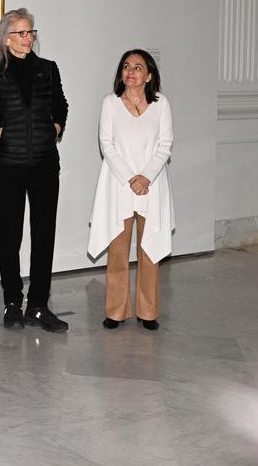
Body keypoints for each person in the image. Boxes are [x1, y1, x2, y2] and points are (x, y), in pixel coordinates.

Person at [0, 8, 69, 332]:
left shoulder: (48, 69)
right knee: (9, 236)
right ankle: (12, 303)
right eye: (22, 32)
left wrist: (56, 127)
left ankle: (38, 305)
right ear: (7, 38)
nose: (29, 37)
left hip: (45, 165)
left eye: (31, 32)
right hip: (7, 166)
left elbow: (60, 104)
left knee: (43, 235)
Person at [88, 50, 174, 330]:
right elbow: (106, 144)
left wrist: (146, 177)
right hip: (118, 184)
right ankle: (116, 311)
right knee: (118, 250)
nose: (131, 71)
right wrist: (130, 178)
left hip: (152, 184)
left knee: (149, 250)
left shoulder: (161, 105)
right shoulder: (110, 103)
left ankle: (148, 312)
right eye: (126, 66)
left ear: (149, 75)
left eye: (138, 67)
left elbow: (165, 145)